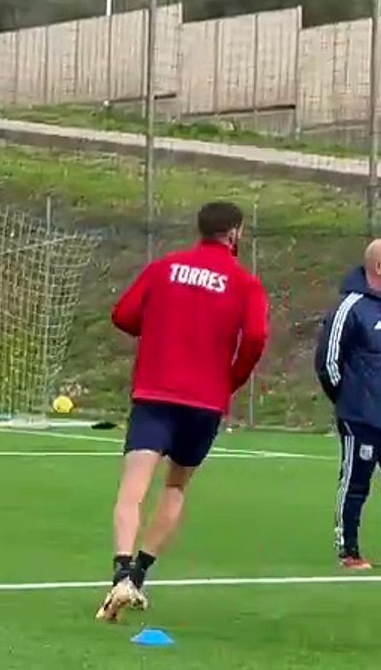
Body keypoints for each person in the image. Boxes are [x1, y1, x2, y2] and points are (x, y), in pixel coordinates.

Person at [96, 201, 269, 622]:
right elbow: (257, 336)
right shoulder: (245, 282)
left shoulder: (165, 268)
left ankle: (120, 570)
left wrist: (159, 327)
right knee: (175, 488)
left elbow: (123, 315)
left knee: (133, 487)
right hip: (205, 400)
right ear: (234, 234)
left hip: (156, 392)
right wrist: (232, 377)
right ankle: (138, 575)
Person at [314, 239, 381, 570]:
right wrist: (349, 399)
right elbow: (328, 362)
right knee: (356, 482)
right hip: (361, 415)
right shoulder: (350, 307)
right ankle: (349, 551)